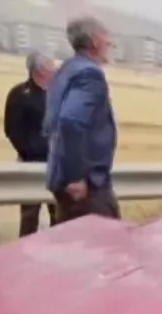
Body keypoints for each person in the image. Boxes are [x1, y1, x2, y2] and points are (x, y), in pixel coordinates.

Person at [44, 16, 120, 221]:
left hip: (62, 180)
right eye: (106, 37)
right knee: (106, 237)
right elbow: (71, 121)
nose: (110, 43)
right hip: (85, 187)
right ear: (94, 41)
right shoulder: (90, 75)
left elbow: (51, 123)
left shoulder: (65, 70)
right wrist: (76, 176)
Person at [4, 51, 57, 237]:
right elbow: (12, 130)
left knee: (59, 216)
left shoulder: (58, 94)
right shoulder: (19, 95)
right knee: (29, 217)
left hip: (56, 166)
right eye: (51, 66)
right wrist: (32, 152)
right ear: (40, 70)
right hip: (30, 166)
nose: (55, 70)